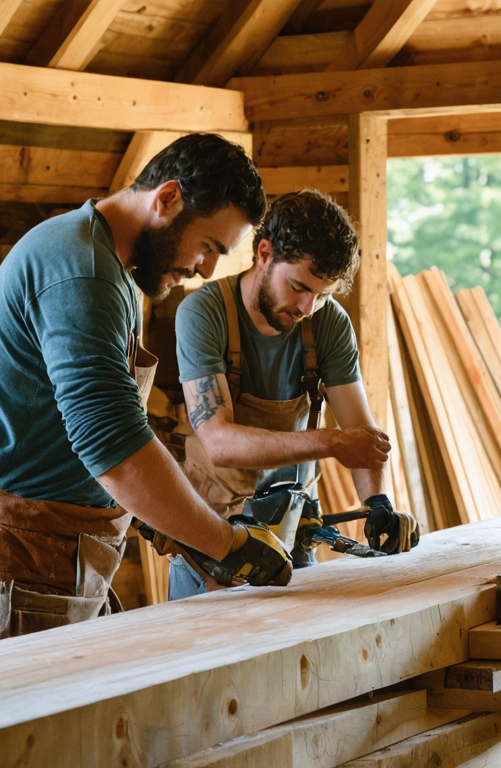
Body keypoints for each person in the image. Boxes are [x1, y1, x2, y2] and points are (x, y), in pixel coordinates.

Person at [0, 134, 294, 654]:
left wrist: (176, 525)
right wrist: (225, 543)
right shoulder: (80, 267)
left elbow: (93, 430)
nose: (206, 269)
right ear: (167, 198)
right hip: (5, 556)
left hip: (49, 550)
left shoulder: (114, 271)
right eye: (210, 246)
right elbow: (112, 444)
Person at [166, 189, 419, 600]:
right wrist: (331, 442)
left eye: (322, 295)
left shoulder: (327, 322)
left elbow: (360, 435)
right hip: (214, 543)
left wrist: (377, 502)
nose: (307, 306)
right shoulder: (204, 314)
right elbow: (219, 443)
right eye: (299, 287)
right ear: (264, 252)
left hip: (293, 536)